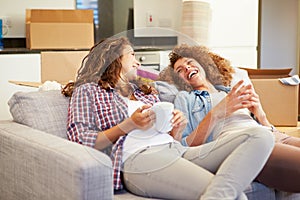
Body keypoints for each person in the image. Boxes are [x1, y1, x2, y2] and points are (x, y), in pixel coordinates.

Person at [62, 36, 274, 200]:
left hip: (176, 150)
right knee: (235, 195)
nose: (137, 62)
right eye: (132, 55)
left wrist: (176, 128)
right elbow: (80, 140)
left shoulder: (145, 92)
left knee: (260, 136)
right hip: (139, 159)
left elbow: (170, 138)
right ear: (114, 59)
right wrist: (128, 125)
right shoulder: (88, 91)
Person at [166, 43, 300, 192]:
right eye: (180, 70)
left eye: (190, 63)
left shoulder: (229, 90)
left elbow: (265, 127)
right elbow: (185, 146)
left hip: (272, 135)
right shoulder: (185, 99)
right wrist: (217, 112)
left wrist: (260, 114)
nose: (187, 68)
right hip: (244, 142)